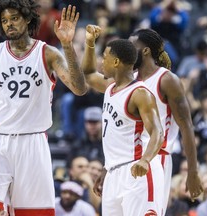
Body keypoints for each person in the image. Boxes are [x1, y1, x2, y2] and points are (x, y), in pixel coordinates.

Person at [0, 1, 87, 216]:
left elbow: (79, 88)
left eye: (14, 18)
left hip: (31, 141)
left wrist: (68, 46)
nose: (9, 24)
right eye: (4, 21)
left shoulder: (48, 54)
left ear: (27, 19)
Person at [82, 25, 165, 215]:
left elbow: (157, 132)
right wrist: (89, 43)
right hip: (114, 172)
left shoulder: (140, 93)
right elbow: (87, 74)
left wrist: (145, 160)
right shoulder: (110, 87)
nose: (101, 62)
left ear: (117, 62)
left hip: (138, 170)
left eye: (105, 58)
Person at [128, 28, 203, 214]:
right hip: (129, 158)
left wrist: (193, 172)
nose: (127, 50)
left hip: (156, 157)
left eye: (132, 46)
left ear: (145, 50)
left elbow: (186, 126)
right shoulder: (130, 80)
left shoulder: (167, 79)